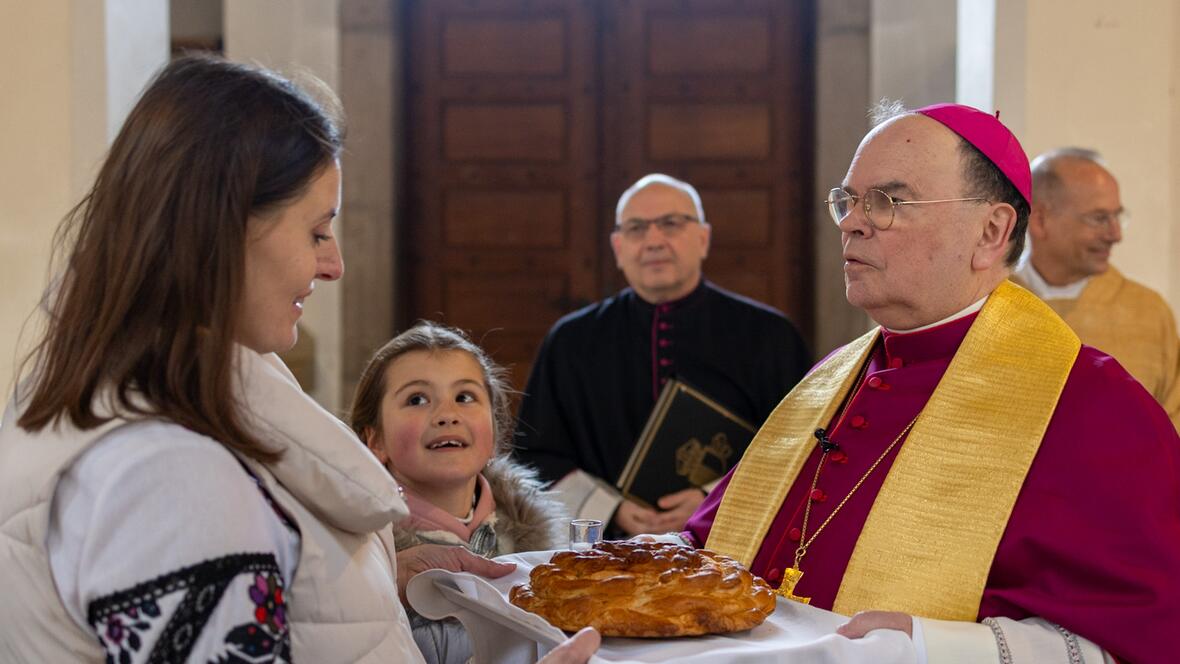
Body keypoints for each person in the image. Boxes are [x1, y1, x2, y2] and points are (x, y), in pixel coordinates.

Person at [0, 55, 597, 663]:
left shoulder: (134, 403)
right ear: (222, 229)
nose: (333, 264)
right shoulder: (170, 472)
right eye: (316, 231)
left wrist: (376, 575)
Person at [682, 103, 1180, 663]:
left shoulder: (1093, 404)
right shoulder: (830, 378)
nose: (852, 222)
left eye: (888, 202)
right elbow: (706, 542)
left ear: (992, 232)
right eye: (847, 200)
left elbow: (1144, 636)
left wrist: (928, 647)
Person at [514, 173, 812, 537]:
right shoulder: (570, 341)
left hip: (727, 542)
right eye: (637, 228)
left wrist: (711, 498)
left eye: (671, 224)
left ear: (703, 238)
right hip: (609, 545)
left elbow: (799, 445)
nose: (654, 240)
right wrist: (613, 510)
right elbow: (536, 455)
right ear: (618, 247)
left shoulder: (770, 335)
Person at [349, 320, 567, 664]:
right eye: (417, 399)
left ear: (494, 429)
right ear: (374, 439)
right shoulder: (356, 551)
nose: (447, 415)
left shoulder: (542, 544)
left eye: (465, 396)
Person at [1011, 148, 1180, 431]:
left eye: (1118, 217)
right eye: (1099, 218)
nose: (1116, 235)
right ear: (1039, 220)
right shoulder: (989, 303)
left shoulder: (1148, 313)